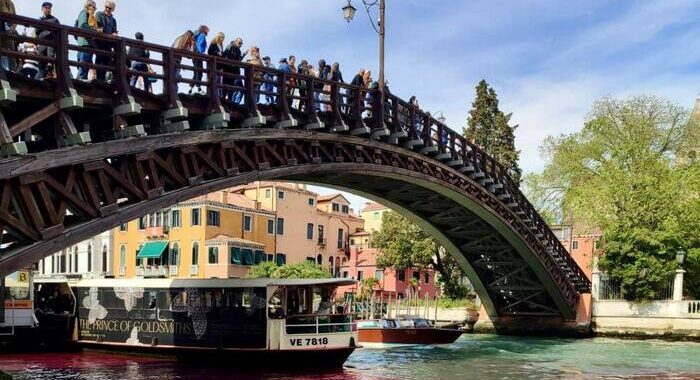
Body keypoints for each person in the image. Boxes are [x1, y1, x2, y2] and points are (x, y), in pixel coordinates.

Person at [95, 0, 118, 82]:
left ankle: (103, 78)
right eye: (106, 7)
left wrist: (114, 33)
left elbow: (114, 30)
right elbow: (98, 27)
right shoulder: (99, 14)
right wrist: (110, 34)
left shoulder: (113, 20)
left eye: (110, 8)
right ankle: (98, 78)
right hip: (100, 41)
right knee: (99, 59)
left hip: (109, 43)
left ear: (112, 9)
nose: (108, 9)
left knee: (106, 60)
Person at [76, 0, 99, 81]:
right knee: (84, 60)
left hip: (87, 42)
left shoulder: (90, 16)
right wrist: (94, 31)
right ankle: (82, 77)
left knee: (86, 60)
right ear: (88, 6)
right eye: (93, 7)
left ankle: (81, 77)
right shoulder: (84, 13)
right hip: (85, 42)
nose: (94, 9)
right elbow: (83, 25)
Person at [37, 2, 60, 79]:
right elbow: (37, 32)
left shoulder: (54, 20)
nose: (48, 10)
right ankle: (38, 82)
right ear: (42, 9)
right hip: (42, 46)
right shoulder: (39, 20)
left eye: (49, 8)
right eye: (46, 8)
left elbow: (58, 33)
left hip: (50, 45)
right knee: (41, 67)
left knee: (49, 65)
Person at [223, 37, 248, 103]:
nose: (240, 45)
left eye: (241, 44)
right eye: (239, 43)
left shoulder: (238, 51)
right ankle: (223, 101)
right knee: (225, 86)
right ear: (235, 41)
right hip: (227, 69)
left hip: (235, 71)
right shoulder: (230, 46)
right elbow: (225, 55)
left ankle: (230, 102)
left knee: (232, 87)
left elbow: (238, 60)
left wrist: (244, 54)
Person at [189, 25, 209, 95]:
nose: (208, 32)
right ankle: (199, 88)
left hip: (194, 55)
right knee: (199, 71)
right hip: (198, 55)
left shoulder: (196, 35)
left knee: (195, 72)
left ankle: (190, 89)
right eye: (207, 30)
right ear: (204, 30)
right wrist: (202, 53)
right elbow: (200, 46)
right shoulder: (202, 35)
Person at [0, 0, 16, 72]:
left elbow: (15, 18)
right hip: (1, 30)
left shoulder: (11, 4)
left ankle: (11, 75)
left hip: (8, 31)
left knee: (10, 55)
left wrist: (12, 28)